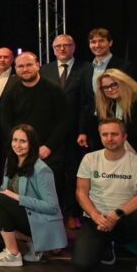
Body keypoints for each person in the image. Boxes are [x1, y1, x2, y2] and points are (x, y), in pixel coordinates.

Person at [73, 118, 137, 272]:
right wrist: (95, 215)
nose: (109, 138)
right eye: (105, 134)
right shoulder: (90, 159)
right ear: (100, 137)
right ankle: (106, 246)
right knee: (82, 265)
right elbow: (81, 192)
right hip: (97, 220)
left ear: (124, 136)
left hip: (124, 219)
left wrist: (116, 215)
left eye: (114, 134)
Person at [0, 125, 67, 267]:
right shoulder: (11, 161)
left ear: (32, 143)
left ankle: (13, 254)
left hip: (39, 219)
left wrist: (16, 197)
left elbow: (52, 207)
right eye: (15, 140)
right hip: (23, 214)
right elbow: (5, 190)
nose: (17, 145)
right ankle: (32, 243)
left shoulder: (41, 169)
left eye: (23, 141)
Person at [40, 34, 92, 229]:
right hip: (51, 134)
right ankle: (54, 211)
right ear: (53, 50)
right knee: (52, 174)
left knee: (73, 173)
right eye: (58, 46)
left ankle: (72, 213)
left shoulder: (86, 68)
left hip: (75, 133)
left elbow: (87, 103)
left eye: (66, 45)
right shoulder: (44, 70)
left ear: (73, 47)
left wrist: (83, 130)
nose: (62, 49)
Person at [0, 52, 68, 178]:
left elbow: (64, 121)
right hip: (20, 153)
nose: (25, 69)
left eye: (29, 65)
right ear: (15, 69)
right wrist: (18, 146)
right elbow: (6, 124)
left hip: (49, 153)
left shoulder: (54, 90)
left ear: (37, 65)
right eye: (21, 66)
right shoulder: (10, 93)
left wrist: (49, 146)